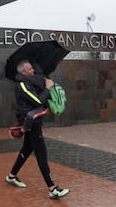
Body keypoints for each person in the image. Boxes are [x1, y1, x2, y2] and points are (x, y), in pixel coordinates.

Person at [5, 60, 70, 199]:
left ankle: (11, 176)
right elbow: (37, 101)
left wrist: (44, 84)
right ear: (23, 72)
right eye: (30, 69)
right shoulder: (22, 85)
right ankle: (52, 188)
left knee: (27, 149)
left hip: (35, 121)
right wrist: (47, 88)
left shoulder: (30, 82)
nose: (33, 70)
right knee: (41, 153)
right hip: (31, 123)